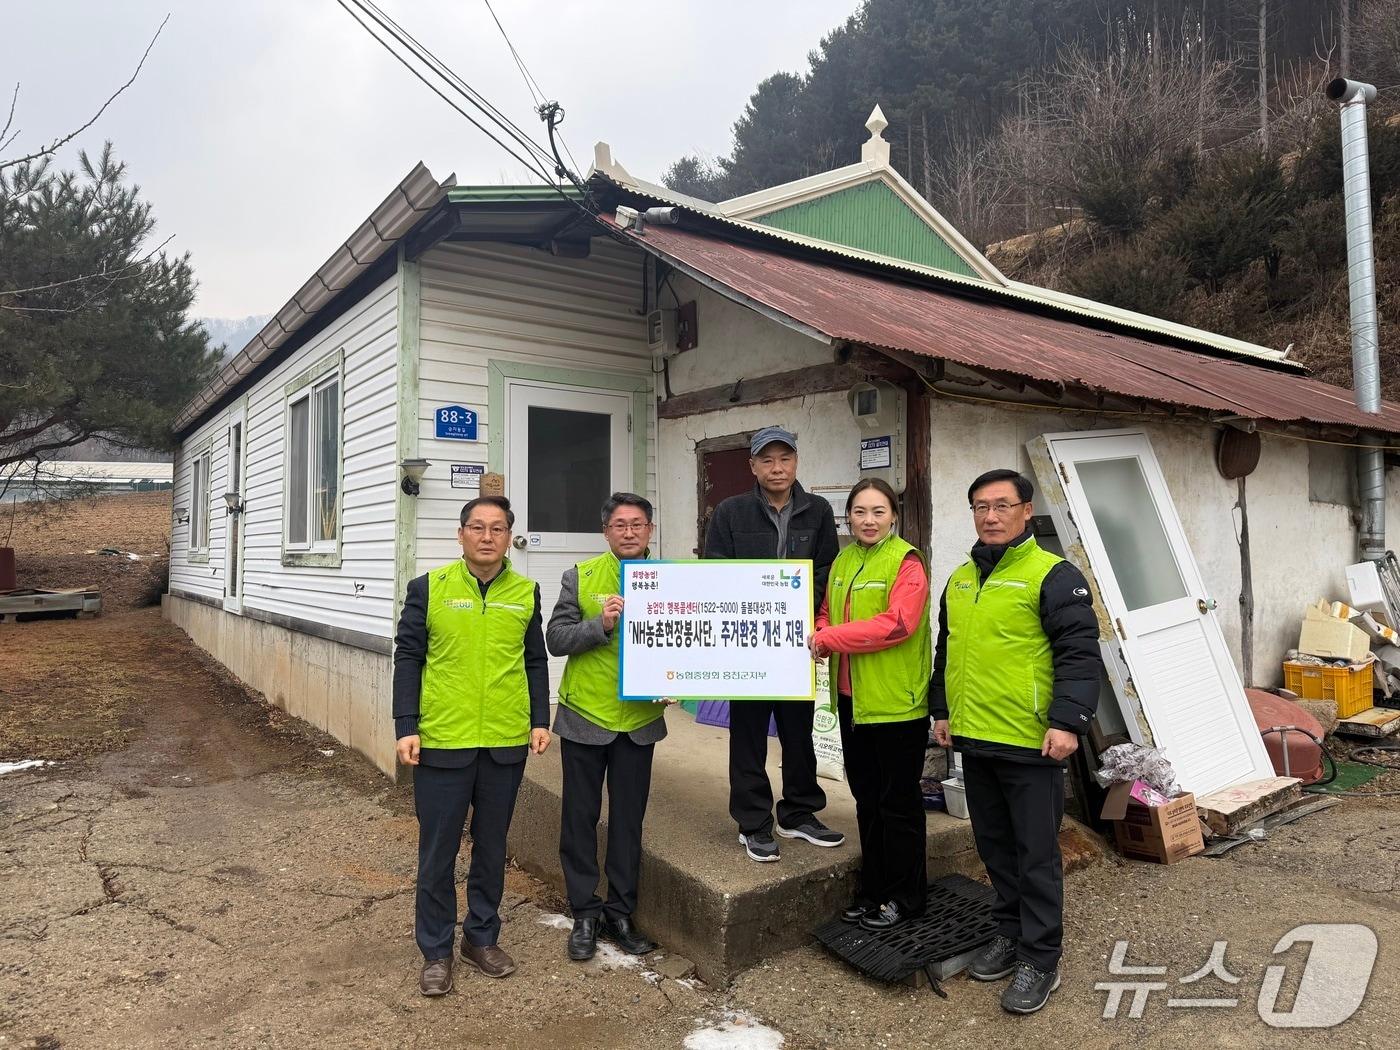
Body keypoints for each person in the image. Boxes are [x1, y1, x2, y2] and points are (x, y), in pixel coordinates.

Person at [930, 469, 1101, 1015]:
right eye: (981, 506)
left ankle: (1041, 957)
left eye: (1003, 505)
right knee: (995, 847)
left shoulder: (1053, 574)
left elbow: (1079, 652)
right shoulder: (959, 578)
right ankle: (1008, 931)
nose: (991, 516)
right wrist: (942, 710)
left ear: (1027, 510)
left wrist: (1068, 721)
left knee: (1036, 855)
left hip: (1032, 741)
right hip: (976, 736)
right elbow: (947, 651)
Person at [392, 495, 552, 998]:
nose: (488, 536)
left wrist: (539, 720)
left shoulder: (526, 592)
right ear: (460, 535)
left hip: (505, 742)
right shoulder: (429, 588)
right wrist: (406, 724)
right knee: (437, 852)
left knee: (492, 847)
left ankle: (481, 938)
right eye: (477, 527)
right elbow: (409, 657)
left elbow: (534, 661)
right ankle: (436, 950)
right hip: (443, 740)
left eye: (498, 528)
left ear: (509, 537)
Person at [703, 425, 843, 863]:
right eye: (767, 460)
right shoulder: (730, 511)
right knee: (747, 734)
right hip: (749, 641)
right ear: (753, 466)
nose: (776, 468)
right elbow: (716, 569)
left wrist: (797, 603)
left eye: (784, 459)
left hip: (798, 640)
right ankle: (753, 822)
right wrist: (759, 600)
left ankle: (798, 813)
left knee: (798, 731)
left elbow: (827, 568)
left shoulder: (818, 510)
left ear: (796, 462)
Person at [546, 492, 670, 963]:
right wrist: (601, 623)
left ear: (650, 531)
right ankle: (584, 911)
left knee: (627, 822)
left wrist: (681, 681)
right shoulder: (580, 576)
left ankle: (621, 912)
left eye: (638, 524)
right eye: (620, 525)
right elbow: (556, 639)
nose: (630, 532)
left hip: (639, 722)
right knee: (579, 819)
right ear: (606, 531)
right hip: (586, 719)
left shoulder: (671, 581)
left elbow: (690, 645)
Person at [808, 478, 931, 931]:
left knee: (897, 804)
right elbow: (827, 610)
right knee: (866, 801)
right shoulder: (843, 559)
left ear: (893, 515)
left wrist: (828, 638)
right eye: (860, 512)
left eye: (878, 511)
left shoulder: (907, 562)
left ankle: (907, 897)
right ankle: (874, 889)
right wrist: (823, 629)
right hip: (851, 701)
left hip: (896, 706)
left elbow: (897, 623)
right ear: (849, 517)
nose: (869, 520)